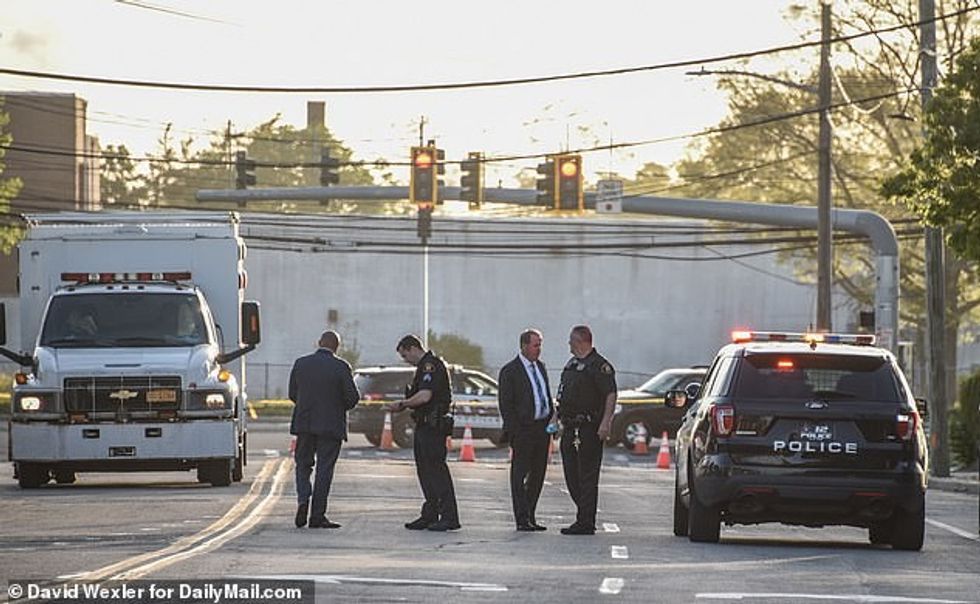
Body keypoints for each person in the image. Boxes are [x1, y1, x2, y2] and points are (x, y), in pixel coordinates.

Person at [387, 334, 460, 532]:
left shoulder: (430, 366)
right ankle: (430, 514)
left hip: (433, 426)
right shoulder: (423, 367)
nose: (405, 360)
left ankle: (449, 516)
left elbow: (425, 396)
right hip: (425, 425)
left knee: (436, 471)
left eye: (405, 355)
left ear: (412, 348)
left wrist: (403, 404)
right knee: (425, 472)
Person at [288, 330, 360, 529]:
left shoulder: (301, 364)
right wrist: (336, 407)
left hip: (305, 423)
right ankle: (317, 516)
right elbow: (352, 398)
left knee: (303, 465)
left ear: (319, 342)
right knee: (324, 470)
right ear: (337, 347)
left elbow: (293, 393)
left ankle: (303, 499)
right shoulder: (341, 367)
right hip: (330, 425)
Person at [556, 325, 617, 535]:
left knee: (587, 476)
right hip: (570, 427)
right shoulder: (572, 364)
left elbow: (610, 395)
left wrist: (606, 422)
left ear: (581, 342)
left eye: (571, 341)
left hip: (590, 428)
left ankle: (585, 521)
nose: (569, 345)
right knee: (571, 475)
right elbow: (563, 395)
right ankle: (583, 513)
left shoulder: (599, 366)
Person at [498, 328, 554, 531]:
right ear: (524, 346)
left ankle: (530, 514)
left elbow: (545, 395)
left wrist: (551, 417)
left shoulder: (541, 367)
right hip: (523, 430)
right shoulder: (510, 371)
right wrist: (515, 431)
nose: (539, 349)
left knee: (538, 474)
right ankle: (521, 518)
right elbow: (506, 404)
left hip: (542, 429)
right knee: (520, 474)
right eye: (535, 345)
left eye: (540, 345)